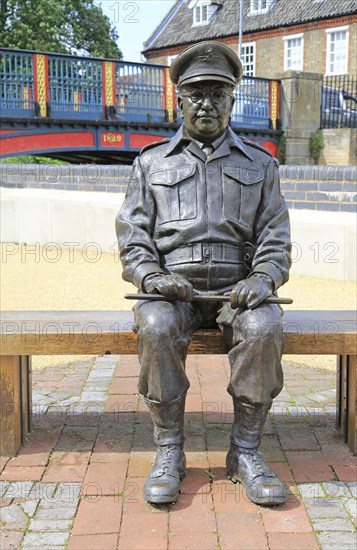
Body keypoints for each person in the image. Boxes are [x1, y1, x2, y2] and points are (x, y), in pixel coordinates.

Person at [116, 41, 291, 507]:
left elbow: (275, 236)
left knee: (265, 326)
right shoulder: (150, 163)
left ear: (233, 100)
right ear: (179, 100)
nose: (207, 103)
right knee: (155, 326)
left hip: (238, 291)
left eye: (218, 93)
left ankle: (246, 452)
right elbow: (133, 235)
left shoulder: (261, 165)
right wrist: (151, 276)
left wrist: (264, 278)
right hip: (174, 290)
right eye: (196, 94)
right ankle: (170, 450)